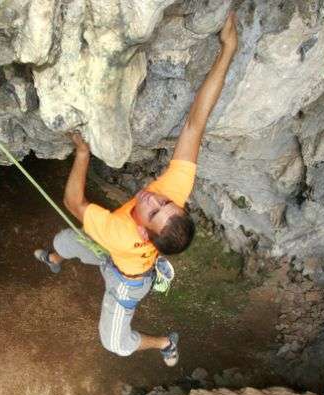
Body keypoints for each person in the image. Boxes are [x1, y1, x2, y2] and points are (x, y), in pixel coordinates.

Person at [34, 11, 239, 366]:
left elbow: (73, 201)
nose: (154, 198)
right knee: (64, 242)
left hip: (126, 280)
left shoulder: (122, 231)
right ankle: (53, 259)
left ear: (144, 232)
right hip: (111, 251)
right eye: (167, 203)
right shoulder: (173, 192)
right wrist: (228, 51)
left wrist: (82, 153)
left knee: (115, 343)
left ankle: (164, 343)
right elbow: (195, 124)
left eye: (155, 211)